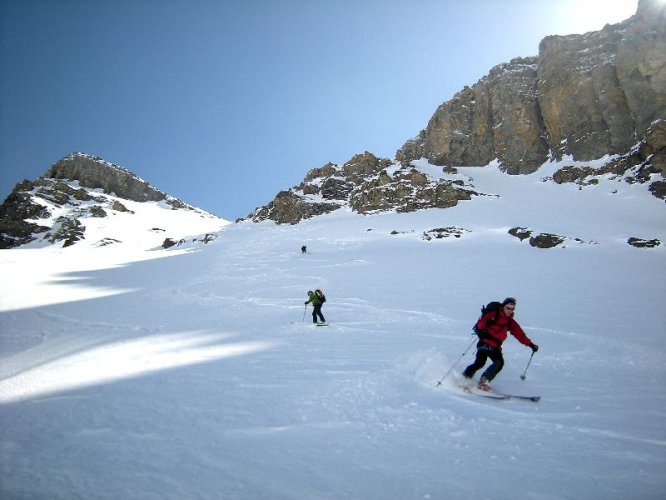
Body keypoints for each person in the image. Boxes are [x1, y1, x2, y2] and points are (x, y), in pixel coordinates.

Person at [463, 297, 538, 391]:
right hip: (485, 343)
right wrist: (482, 329)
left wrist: (530, 344)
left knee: (499, 363)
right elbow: (480, 324)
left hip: (495, 347)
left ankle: (484, 381)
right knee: (479, 363)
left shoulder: (510, 322)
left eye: (512, 309)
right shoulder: (493, 315)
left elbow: (520, 334)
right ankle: (464, 379)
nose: (510, 311)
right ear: (503, 307)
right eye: (508, 308)